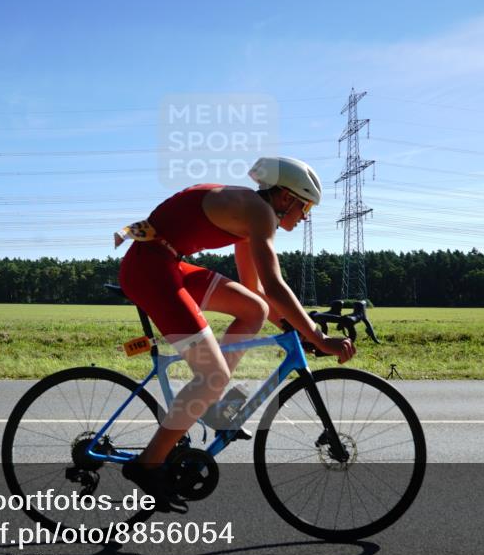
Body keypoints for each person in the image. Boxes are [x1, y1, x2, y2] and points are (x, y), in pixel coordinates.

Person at [115, 156, 355, 509]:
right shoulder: (259, 213)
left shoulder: (250, 212)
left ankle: (211, 402)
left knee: (252, 309)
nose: (306, 217)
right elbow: (275, 285)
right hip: (150, 270)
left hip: (166, 263)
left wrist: (294, 328)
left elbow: (257, 293)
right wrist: (318, 336)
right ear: (286, 197)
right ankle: (148, 464)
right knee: (212, 375)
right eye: (305, 207)